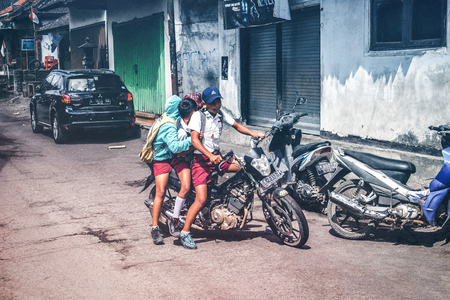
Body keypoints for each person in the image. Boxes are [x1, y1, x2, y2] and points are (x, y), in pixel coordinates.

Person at [179, 87, 265, 250]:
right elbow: (195, 141)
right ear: (204, 103)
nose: (216, 105)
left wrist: (254, 134)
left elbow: (237, 126)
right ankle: (184, 233)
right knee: (201, 199)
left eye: (218, 101)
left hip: (218, 157)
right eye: (213, 102)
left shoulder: (221, 114)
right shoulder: (198, 116)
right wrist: (209, 155)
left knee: (245, 169)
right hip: (201, 161)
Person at [148, 95, 192, 245]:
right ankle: (155, 228)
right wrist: (193, 140)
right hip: (162, 160)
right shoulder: (169, 125)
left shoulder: (169, 117)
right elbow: (175, 147)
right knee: (160, 192)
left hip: (174, 158)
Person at [168, 97, 203, 237]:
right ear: (192, 113)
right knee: (186, 187)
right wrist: (195, 143)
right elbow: (179, 152)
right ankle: (175, 219)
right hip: (181, 159)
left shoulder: (196, 122)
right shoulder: (181, 130)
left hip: (194, 157)